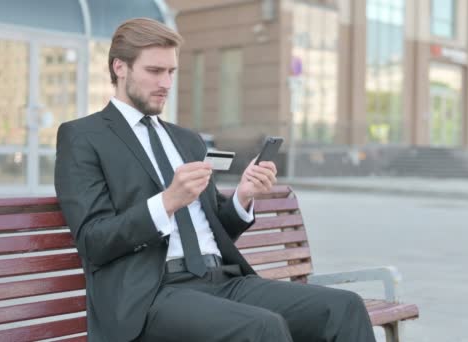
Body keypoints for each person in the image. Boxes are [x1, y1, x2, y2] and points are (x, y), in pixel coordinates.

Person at [54, 17, 375, 342]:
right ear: (120, 67)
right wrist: (166, 202)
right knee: (262, 327)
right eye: (154, 71)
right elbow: (94, 241)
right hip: (152, 294)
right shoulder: (83, 137)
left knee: (344, 307)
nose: (166, 82)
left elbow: (212, 229)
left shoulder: (187, 140)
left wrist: (242, 197)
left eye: (171, 72)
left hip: (222, 279)